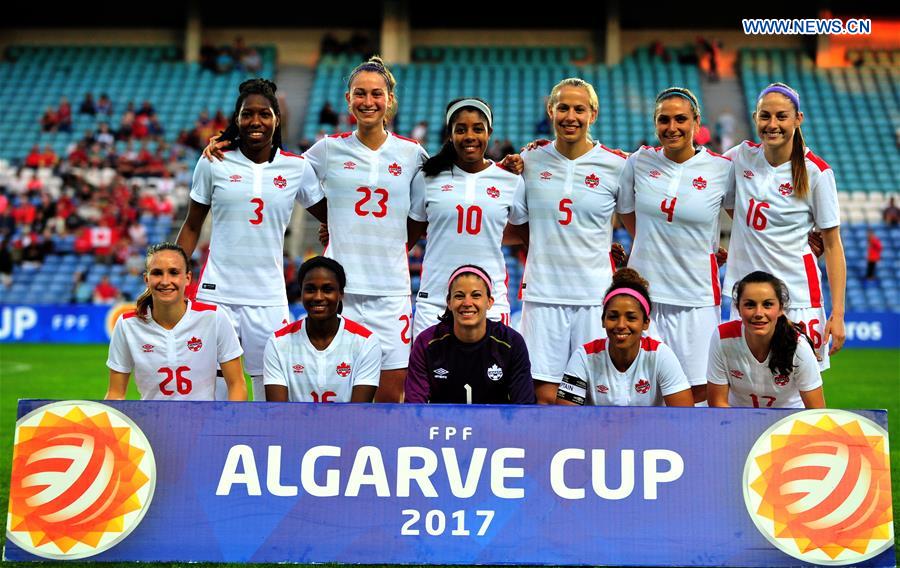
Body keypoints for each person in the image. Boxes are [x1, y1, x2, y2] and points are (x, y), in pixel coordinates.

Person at [178, 78, 327, 401]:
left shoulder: (296, 168)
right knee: (211, 392)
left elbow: (331, 214)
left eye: (264, 114)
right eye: (247, 114)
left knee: (270, 395)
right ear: (237, 119)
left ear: (277, 119)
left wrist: (329, 230)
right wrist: (175, 272)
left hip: (269, 297)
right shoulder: (213, 161)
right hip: (217, 295)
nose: (255, 121)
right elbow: (192, 226)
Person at [301, 56, 429, 402]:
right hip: (342, 292)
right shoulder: (327, 149)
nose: (368, 102)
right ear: (348, 99)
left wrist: (398, 246)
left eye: (376, 94)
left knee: (390, 397)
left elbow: (422, 213)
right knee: (339, 394)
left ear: (390, 100)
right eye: (360, 93)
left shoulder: (412, 154)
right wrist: (333, 220)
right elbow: (286, 174)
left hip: (391, 292)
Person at [508, 77, 630, 403]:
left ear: (594, 114)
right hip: (543, 295)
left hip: (594, 297)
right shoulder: (530, 161)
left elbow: (640, 223)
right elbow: (519, 225)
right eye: (563, 108)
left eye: (579, 109)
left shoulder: (617, 165)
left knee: (593, 394)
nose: (570, 116)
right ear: (551, 111)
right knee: (544, 394)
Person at [617, 87, 734, 403]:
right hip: (645, 298)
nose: (672, 127)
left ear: (697, 122)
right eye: (663, 120)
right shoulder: (638, 162)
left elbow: (747, 223)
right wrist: (649, 242)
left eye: (681, 119)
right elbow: (626, 212)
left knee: (697, 393)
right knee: (641, 391)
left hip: (695, 298)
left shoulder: (722, 169)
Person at [723, 82, 846, 370]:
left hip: (798, 295)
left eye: (781, 116)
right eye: (765, 116)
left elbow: (832, 245)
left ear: (797, 119)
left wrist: (838, 314)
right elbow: (707, 181)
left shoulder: (816, 171)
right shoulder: (739, 157)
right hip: (745, 297)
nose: (772, 124)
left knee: (802, 392)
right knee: (742, 388)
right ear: (755, 118)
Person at [408, 98, 525, 338]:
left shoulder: (511, 180)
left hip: (489, 304)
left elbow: (527, 235)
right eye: (460, 129)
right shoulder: (428, 178)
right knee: (430, 375)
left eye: (477, 129)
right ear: (450, 134)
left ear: (489, 133)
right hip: (435, 301)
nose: (469, 136)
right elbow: (408, 236)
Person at [106, 243, 247, 401]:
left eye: (173, 272)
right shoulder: (127, 325)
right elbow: (115, 393)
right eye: (157, 273)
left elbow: (237, 384)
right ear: (146, 279)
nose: (165, 281)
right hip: (150, 423)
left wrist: (228, 422)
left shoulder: (214, 317)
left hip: (205, 422)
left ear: (187, 278)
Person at [556, 268, 693, 407]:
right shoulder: (583, 356)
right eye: (613, 317)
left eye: (631, 318)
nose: (621, 325)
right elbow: (566, 420)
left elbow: (685, 419)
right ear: (603, 320)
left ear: (646, 323)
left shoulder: (661, 355)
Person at [406, 265, 536, 404]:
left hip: (496, 425)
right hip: (442, 425)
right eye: (459, 296)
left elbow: (525, 409)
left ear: (489, 302)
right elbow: (414, 409)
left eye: (476, 295)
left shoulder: (512, 343)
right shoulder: (426, 343)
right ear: (449, 303)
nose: (467, 303)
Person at [264, 257, 381, 403]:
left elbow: (357, 414)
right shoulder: (277, 343)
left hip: (347, 426)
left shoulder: (366, 342)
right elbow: (277, 412)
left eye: (327, 289)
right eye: (310, 289)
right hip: (293, 426)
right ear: (301, 292)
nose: (318, 297)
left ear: (341, 293)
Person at [707, 271, 825, 408]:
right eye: (750, 305)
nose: (758, 313)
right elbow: (717, 404)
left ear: (781, 308)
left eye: (767, 304)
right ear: (738, 309)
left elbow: (816, 412)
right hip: (736, 422)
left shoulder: (799, 347)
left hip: (787, 424)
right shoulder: (722, 337)